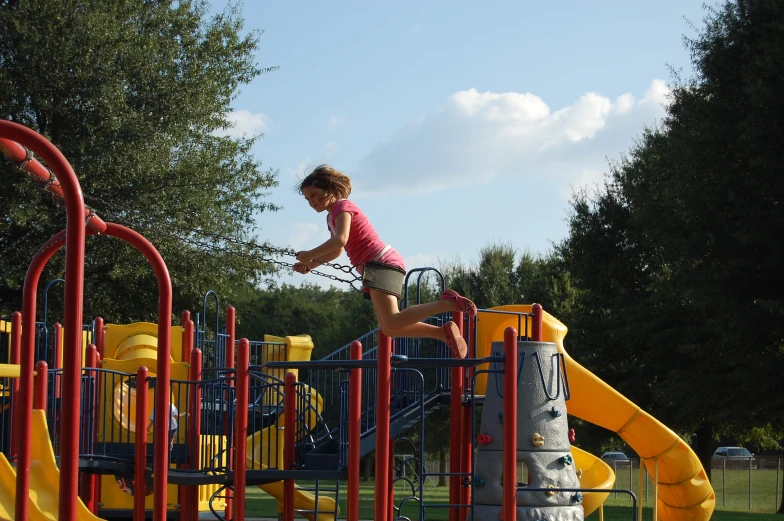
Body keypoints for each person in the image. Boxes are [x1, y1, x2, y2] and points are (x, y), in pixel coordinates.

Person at [293, 164, 477, 358]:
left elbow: (341, 239)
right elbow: (337, 250)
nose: (311, 202)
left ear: (329, 189)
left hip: (379, 261)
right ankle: (442, 333)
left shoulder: (342, 206)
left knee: (394, 321)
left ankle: (447, 303)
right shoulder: (332, 215)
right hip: (377, 265)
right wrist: (311, 264)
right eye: (307, 199)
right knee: (390, 328)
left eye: (314, 195)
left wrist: (309, 254)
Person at [147, 379, 185, 452]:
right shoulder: (171, 405)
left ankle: (162, 446)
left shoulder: (156, 406)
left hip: (162, 427)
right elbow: (176, 415)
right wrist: (183, 414)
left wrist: (149, 426)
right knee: (172, 435)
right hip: (172, 426)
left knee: (162, 437)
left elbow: (153, 418)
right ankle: (170, 442)